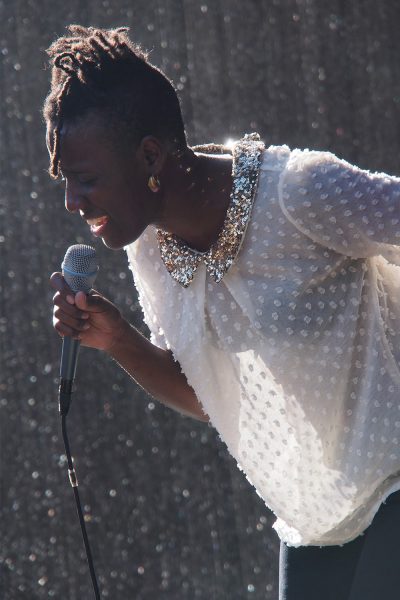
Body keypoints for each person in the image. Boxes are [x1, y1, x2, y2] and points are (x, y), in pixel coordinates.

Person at [44, 25, 400, 599]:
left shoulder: (297, 193)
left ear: (150, 155)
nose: (72, 203)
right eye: (66, 183)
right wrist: (119, 341)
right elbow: (210, 398)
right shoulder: (151, 253)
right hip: (318, 513)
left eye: (86, 180)